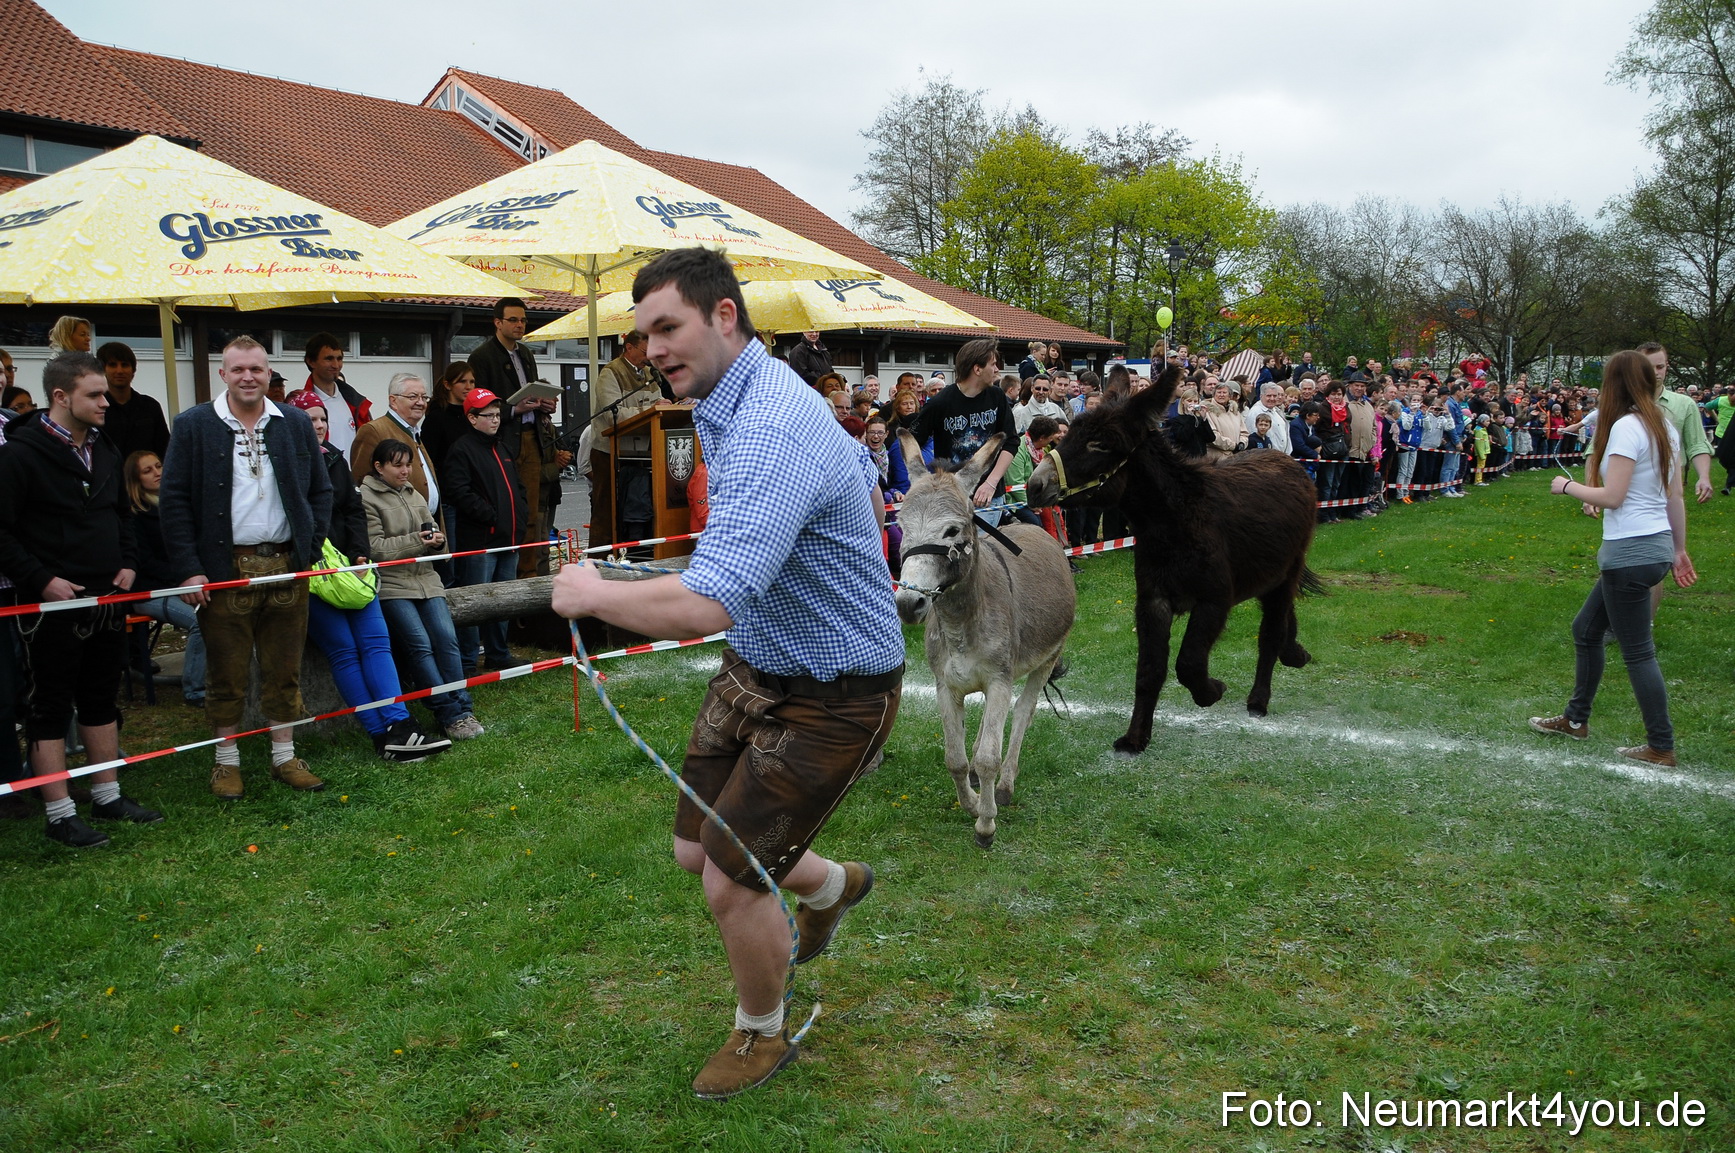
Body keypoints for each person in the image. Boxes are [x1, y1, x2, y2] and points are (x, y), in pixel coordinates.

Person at [551, 246, 902, 1100]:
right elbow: (792, 520)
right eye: (642, 336)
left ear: (724, 316)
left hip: (835, 693)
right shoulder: (722, 397)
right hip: (761, 663)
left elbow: (710, 601)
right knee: (689, 846)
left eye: (667, 326)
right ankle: (829, 884)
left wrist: (591, 594)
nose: (652, 348)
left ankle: (760, 1033)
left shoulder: (771, 424)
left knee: (729, 877)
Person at [0, 352, 161, 847]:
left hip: (107, 596)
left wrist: (130, 563)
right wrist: (41, 579)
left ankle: (107, 792)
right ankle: (59, 812)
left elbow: (122, 515)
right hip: (49, 602)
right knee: (49, 705)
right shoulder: (21, 454)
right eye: (94, 395)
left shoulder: (106, 447)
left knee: (100, 696)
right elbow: (2, 532)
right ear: (60, 397)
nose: (106, 401)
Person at [160, 336, 332, 799]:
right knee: (226, 671)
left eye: (256, 369)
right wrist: (190, 568)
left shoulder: (293, 422)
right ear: (223, 374)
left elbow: (321, 490)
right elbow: (173, 500)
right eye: (238, 370)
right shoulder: (194, 424)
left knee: (284, 667)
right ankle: (226, 761)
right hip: (223, 567)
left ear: (269, 372)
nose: (248, 377)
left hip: (285, 564)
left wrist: (310, 549)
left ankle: (284, 756)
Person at [1531, 350, 1697, 767]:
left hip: (1631, 552)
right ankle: (1574, 720)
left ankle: (1661, 745)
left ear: (1615, 385)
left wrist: (1565, 487)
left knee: (1638, 651)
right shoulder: (1664, 427)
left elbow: (1613, 497)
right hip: (1652, 545)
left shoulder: (1627, 428)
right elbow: (1674, 496)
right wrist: (1677, 549)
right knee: (1586, 629)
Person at [288, 391, 451, 763]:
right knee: (344, 651)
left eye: (322, 419)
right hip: (311, 574)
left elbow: (351, 510)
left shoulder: (334, 458)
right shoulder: (285, 464)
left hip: (353, 567)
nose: (318, 426)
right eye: (309, 419)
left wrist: (360, 553)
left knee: (376, 643)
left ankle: (400, 724)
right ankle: (381, 736)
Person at [362, 439, 485, 742]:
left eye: (409, 465)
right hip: (392, 585)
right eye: (397, 465)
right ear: (379, 467)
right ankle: (448, 714)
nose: (405, 471)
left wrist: (438, 540)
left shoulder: (414, 493)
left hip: (427, 580)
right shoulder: (366, 498)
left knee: (447, 640)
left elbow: (432, 531)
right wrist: (418, 541)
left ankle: (463, 707)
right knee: (419, 645)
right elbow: (374, 548)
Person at [440, 388, 528, 675]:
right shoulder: (462, 449)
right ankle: (467, 661)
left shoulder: (501, 447)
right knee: (476, 602)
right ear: (472, 418)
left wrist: (520, 515)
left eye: (497, 414)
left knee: (502, 603)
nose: (495, 420)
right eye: (487, 415)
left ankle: (498, 654)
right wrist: (490, 516)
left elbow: (517, 486)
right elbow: (458, 491)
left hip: (508, 539)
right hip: (481, 541)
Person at [124, 450, 206, 708]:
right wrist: (184, 578)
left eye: (158, 466)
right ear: (135, 480)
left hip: (183, 582)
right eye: (147, 470)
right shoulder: (134, 515)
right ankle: (195, 690)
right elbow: (145, 562)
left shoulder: (176, 505)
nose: (157, 472)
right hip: (149, 591)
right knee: (199, 621)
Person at [909, 338, 1017, 522]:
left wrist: (991, 482)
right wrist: (923, 481)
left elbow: (1011, 441)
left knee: (984, 549)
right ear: (977, 369)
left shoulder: (997, 396)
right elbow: (910, 443)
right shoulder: (940, 403)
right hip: (952, 497)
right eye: (993, 364)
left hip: (989, 496)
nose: (997, 369)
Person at [348, 373, 445, 537]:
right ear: (393, 401)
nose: (420, 403)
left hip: (426, 530)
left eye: (424, 397)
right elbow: (361, 481)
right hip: (394, 536)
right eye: (413, 396)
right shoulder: (374, 430)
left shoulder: (415, 432)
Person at [590, 329, 660, 548]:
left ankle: (634, 552)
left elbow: (658, 404)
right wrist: (650, 409)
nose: (649, 357)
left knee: (637, 510)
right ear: (629, 347)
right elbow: (614, 415)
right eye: (645, 351)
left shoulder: (649, 374)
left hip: (643, 453)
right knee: (606, 511)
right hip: (609, 452)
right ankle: (600, 559)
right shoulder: (610, 373)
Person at [295, 333, 371, 461]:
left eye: (339, 358)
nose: (336, 365)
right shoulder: (300, 406)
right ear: (311, 361)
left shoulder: (356, 402)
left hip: (353, 479)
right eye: (329, 359)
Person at [97, 342, 170, 462]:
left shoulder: (150, 407)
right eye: (113, 365)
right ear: (102, 370)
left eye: (125, 365)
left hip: (145, 478)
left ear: (133, 370)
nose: (119, 370)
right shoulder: (96, 409)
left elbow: (165, 449)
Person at [425, 362, 476, 474]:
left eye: (472, 382)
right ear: (447, 385)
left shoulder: (473, 415)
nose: (468, 387)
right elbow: (429, 458)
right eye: (462, 381)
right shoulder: (436, 418)